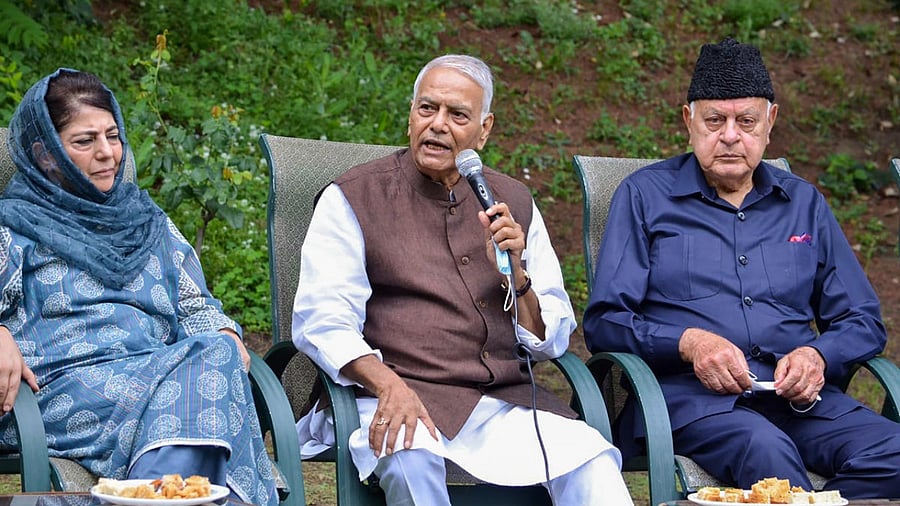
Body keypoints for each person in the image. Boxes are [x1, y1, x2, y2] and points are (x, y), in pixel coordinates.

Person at [292, 54, 633, 505]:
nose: (437, 125)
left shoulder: (512, 199)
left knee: (591, 460)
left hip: (499, 401)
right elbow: (323, 321)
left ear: (484, 129)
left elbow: (550, 341)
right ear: (410, 114)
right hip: (393, 393)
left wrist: (518, 275)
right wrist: (390, 385)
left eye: (457, 115)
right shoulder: (353, 197)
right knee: (408, 456)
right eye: (427, 108)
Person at [583, 38, 900, 498]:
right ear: (688, 120)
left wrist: (819, 356)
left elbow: (862, 319)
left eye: (746, 121)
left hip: (800, 404)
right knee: (766, 452)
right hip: (694, 403)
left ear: (770, 122)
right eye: (714, 120)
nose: (730, 135)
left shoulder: (803, 202)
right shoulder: (644, 196)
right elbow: (606, 322)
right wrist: (690, 343)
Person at [0, 68, 276, 506]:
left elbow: (196, 306)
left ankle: (143, 497)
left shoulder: (149, 223)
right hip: (61, 396)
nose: (108, 153)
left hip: (164, 384)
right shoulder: (13, 227)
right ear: (45, 153)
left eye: (112, 135)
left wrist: (222, 331)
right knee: (209, 370)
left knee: (217, 351)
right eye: (84, 141)